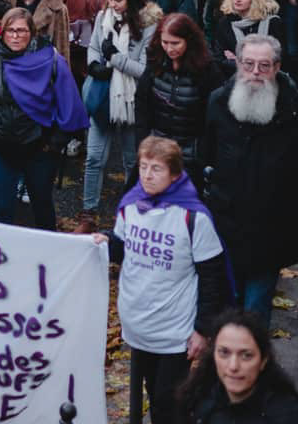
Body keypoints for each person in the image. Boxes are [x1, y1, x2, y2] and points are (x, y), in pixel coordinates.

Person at [97, 136, 230, 424]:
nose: (147, 175)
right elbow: (121, 248)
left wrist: (202, 330)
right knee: (152, 394)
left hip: (174, 332)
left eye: (156, 168)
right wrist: (103, 241)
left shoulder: (193, 218)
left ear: (175, 174)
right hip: (139, 325)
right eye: (143, 166)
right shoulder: (129, 206)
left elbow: (212, 278)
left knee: (168, 405)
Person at [196, 33, 298, 316]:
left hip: (272, 228)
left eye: (264, 65)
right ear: (238, 64)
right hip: (226, 223)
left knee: (256, 310)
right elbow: (207, 152)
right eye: (248, 64)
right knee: (226, 307)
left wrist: (286, 193)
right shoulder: (218, 101)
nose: (255, 72)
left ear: (277, 67)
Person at [0, 7, 88, 229]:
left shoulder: (51, 60)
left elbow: (69, 104)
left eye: (21, 31)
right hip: (0, 146)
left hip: (39, 150)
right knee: (0, 209)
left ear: (32, 33)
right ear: (2, 33)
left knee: (42, 208)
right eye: (10, 31)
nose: (15, 36)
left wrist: (52, 143)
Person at [80, 0, 154, 225]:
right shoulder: (104, 17)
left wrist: (115, 59)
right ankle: (88, 211)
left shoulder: (148, 25)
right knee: (94, 158)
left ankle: (131, 212)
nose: (113, 4)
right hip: (104, 96)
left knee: (132, 160)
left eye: (118, 0)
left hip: (132, 101)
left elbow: (144, 70)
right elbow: (94, 47)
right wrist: (93, 65)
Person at [176, 311, 298, 423]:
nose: (233, 366)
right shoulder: (199, 399)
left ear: (263, 360)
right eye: (224, 353)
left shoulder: (286, 416)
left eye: (246, 355)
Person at [142, 12, 225, 167]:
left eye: (175, 43)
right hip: (156, 148)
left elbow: (215, 114)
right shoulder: (155, 60)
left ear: (189, 40)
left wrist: (203, 152)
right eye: (165, 42)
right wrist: (142, 141)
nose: (169, 49)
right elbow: (142, 103)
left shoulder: (206, 69)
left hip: (190, 153)